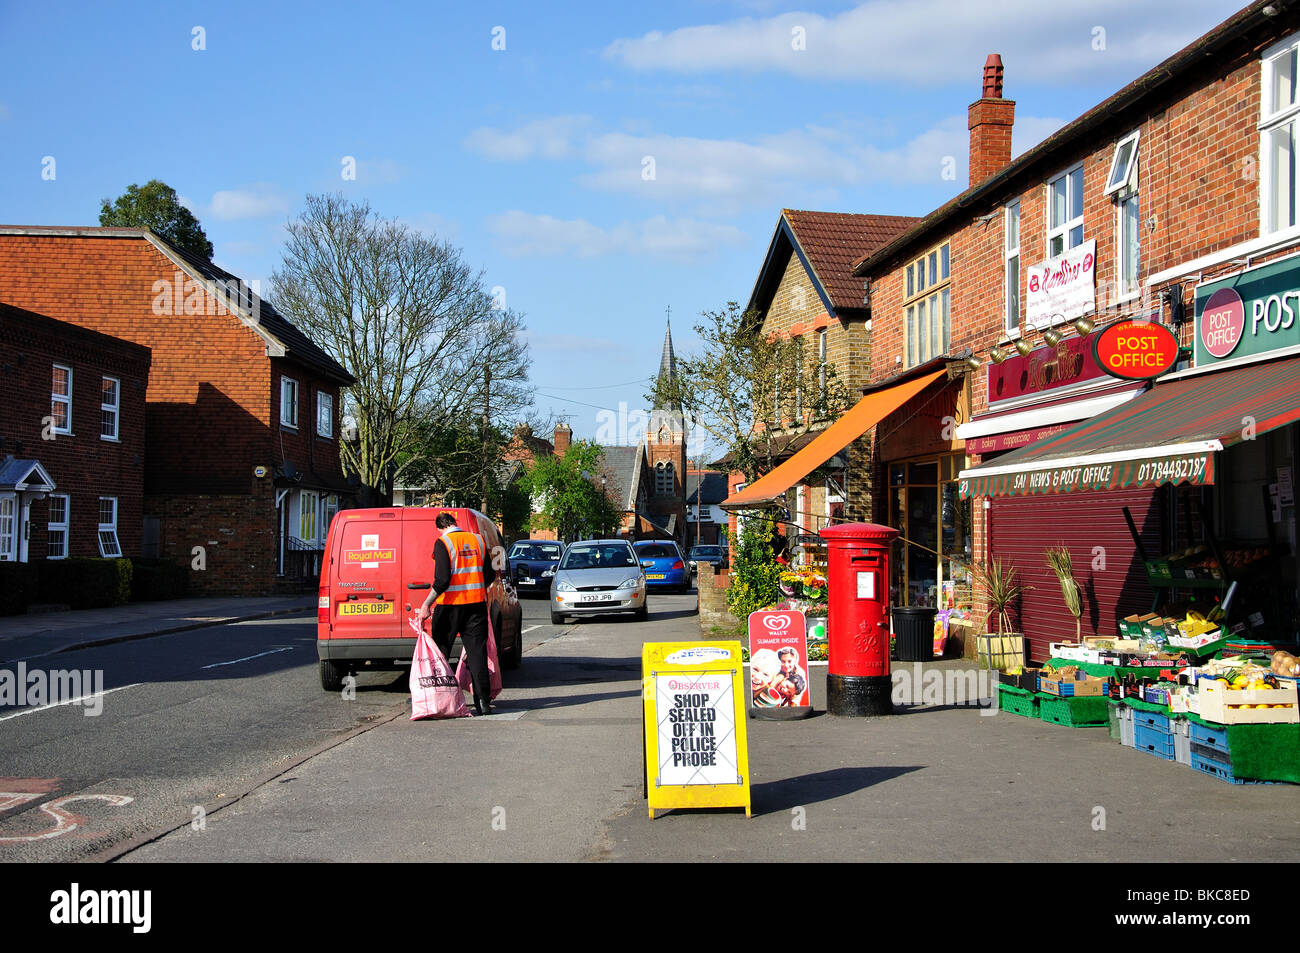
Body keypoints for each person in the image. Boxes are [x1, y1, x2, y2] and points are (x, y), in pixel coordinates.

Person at [417, 512, 497, 716]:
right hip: (476, 606)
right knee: (477, 654)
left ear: (440, 528)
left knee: (442, 653)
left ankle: (442, 700)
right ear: (455, 523)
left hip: (449, 607)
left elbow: (442, 580)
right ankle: (483, 702)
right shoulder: (478, 540)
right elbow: (489, 575)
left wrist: (426, 604)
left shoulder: (443, 543)